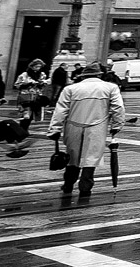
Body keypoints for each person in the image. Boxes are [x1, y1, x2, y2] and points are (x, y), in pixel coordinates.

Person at [47, 64, 125, 199]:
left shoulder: (70, 88)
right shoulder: (111, 88)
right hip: (97, 127)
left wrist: (55, 128)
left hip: (73, 126)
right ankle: (85, 188)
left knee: (72, 157)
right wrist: (117, 125)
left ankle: (68, 184)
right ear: (100, 75)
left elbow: (60, 110)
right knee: (91, 158)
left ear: (83, 76)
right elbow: (118, 108)